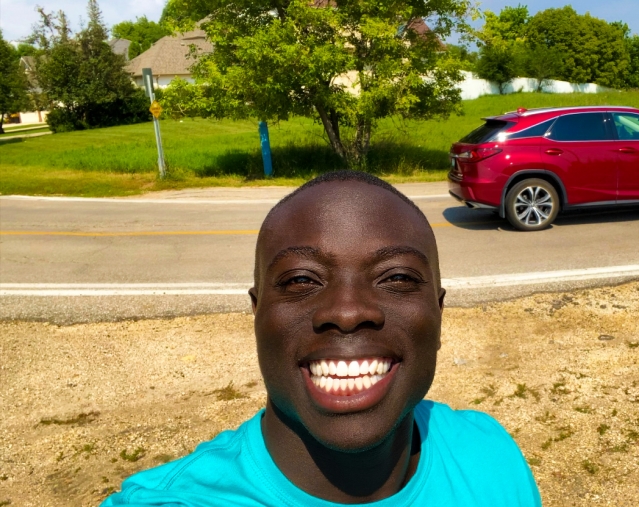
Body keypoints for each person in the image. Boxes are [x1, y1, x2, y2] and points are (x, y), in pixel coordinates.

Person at [100, 171, 541, 506]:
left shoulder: (491, 456)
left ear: (439, 315)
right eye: (300, 280)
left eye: (397, 277)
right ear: (257, 314)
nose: (347, 312)